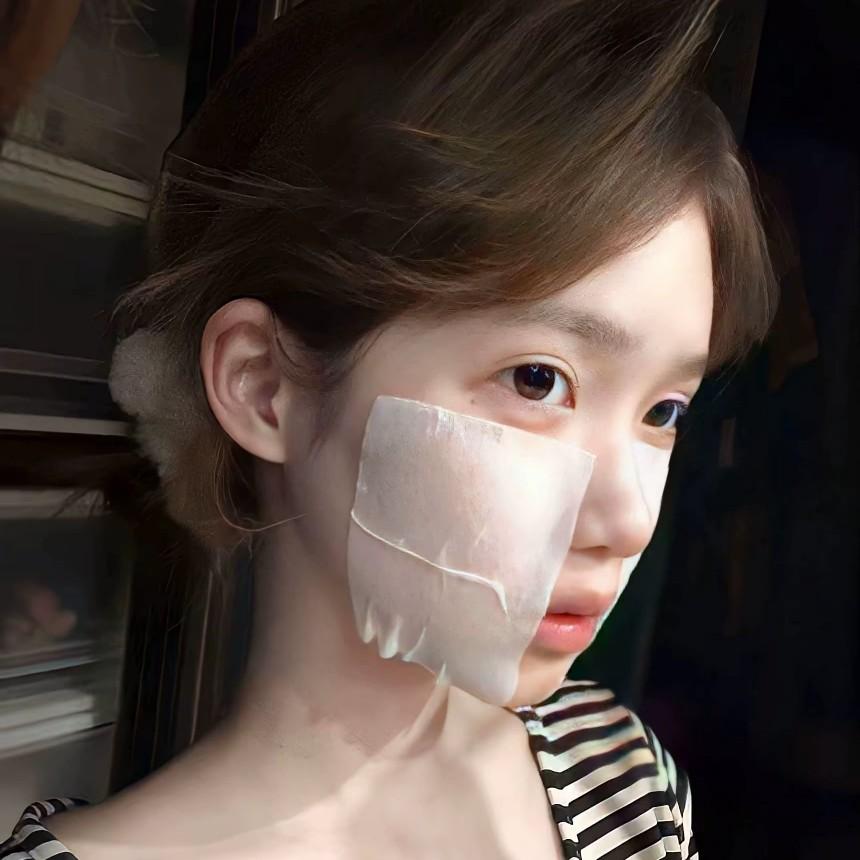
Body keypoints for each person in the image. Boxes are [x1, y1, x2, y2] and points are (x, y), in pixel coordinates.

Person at [0, 1, 775, 857]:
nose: (627, 521)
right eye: (538, 380)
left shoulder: (622, 779)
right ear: (264, 386)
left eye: (664, 412)